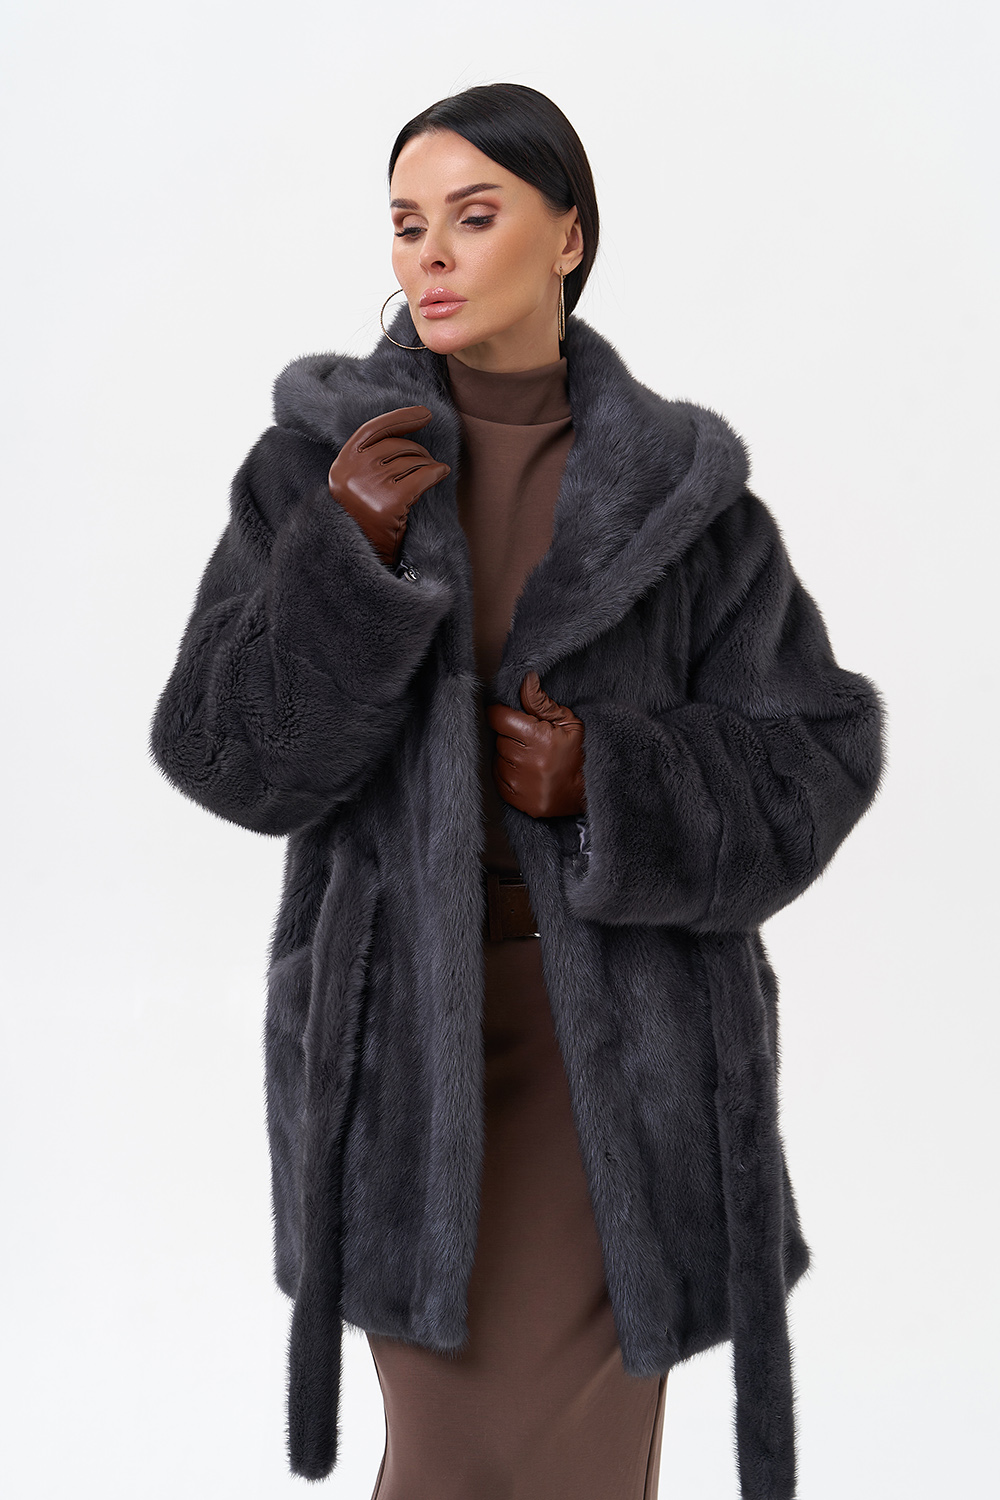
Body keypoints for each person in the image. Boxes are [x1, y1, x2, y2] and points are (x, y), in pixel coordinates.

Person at [148, 82, 886, 1500]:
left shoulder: (683, 503)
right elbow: (223, 753)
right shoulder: (317, 473)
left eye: (473, 217)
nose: (429, 254)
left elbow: (816, 756)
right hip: (402, 1052)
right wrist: (345, 564)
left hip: (627, 1060)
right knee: (451, 1464)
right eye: (406, 223)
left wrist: (613, 777)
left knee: (587, 1474)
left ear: (569, 236)